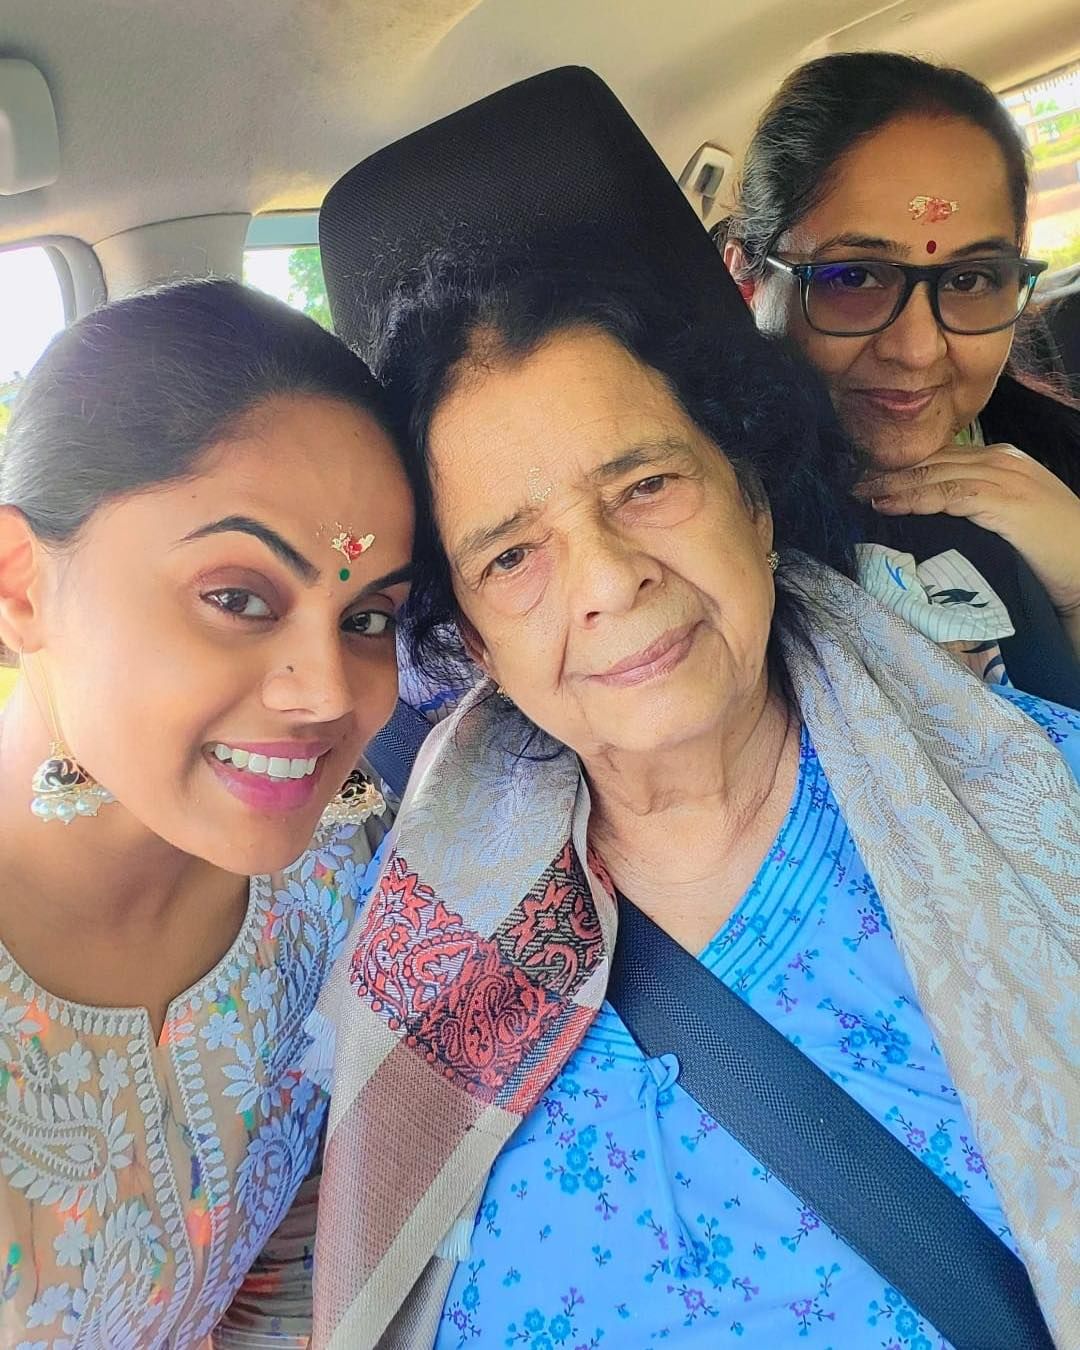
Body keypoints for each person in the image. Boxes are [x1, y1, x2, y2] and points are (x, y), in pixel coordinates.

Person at [309, 263, 1079, 1349]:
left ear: (752, 503)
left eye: (646, 486)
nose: (607, 579)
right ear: (477, 644)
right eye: (513, 554)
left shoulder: (1041, 802)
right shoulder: (398, 937)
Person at [0, 278, 413, 1347]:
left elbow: (296, 1254)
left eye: (369, 617)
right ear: (20, 585)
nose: (328, 692)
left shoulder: (345, 880)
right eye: (238, 598)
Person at [721, 51, 1080, 687]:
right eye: (854, 277)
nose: (917, 350)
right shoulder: (700, 516)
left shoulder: (1064, 455)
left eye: (970, 279)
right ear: (745, 281)